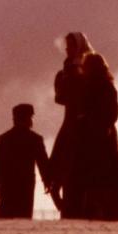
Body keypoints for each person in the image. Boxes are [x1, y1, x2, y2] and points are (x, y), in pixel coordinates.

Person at [71, 52, 118, 220]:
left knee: (95, 180)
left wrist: (88, 120)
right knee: (117, 181)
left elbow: (108, 114)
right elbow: (112, 114)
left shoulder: (93, 87)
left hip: (96, 140)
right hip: (104, 140)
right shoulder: (106, 86)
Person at [49, 32, 94, 217]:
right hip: (71, 119)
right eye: (66, 46)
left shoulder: (90, 66)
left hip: (84, 122)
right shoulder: (67, 68)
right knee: (61, 158)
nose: (67, 50)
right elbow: (61, 97)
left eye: (70, 46)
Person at [0, 103, 51, 219]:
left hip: (7, 185)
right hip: (25, 185)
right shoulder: (35, 139)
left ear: (15, 119)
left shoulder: (3, 139)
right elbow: (43, 163)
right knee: (24, 215)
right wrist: (47, 181)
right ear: (28, 118)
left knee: (6, 216)